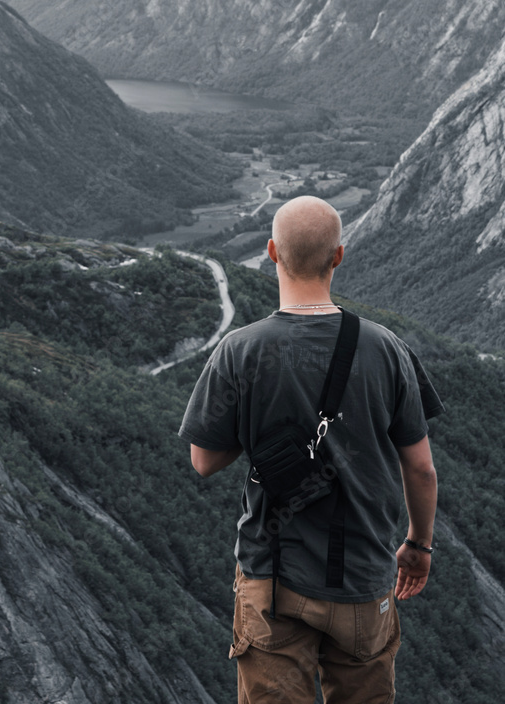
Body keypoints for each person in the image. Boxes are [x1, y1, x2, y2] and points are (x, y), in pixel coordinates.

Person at [178, 196, 443, 703]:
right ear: (338, 256)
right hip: (364, 578)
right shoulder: (386, 348)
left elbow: (204, 460)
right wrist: (419, 546)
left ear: (273, 252)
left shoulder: (241, 349)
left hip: (273, 580)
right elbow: (421, 469)